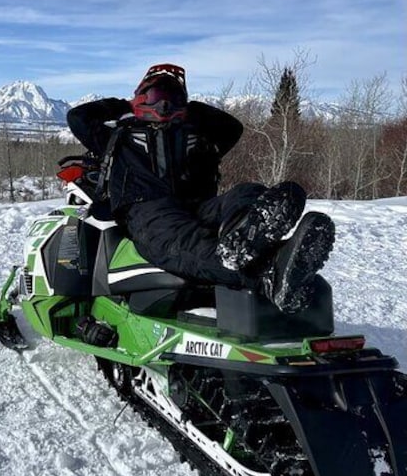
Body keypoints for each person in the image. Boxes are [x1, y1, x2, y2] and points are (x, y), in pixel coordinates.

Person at [67, 63, 335, 314]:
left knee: (248, 193)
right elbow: (78, 117)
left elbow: (232, 127)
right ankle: (264, 273)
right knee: (189, 244)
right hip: (148, 210)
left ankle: (253, 233)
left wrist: (189, 110)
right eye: (157, 95)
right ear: (141, 97)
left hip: (197, 205)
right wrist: (124, 105)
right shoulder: (117, 136)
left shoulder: (195, 133)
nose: (164, 104)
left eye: (173, 97)